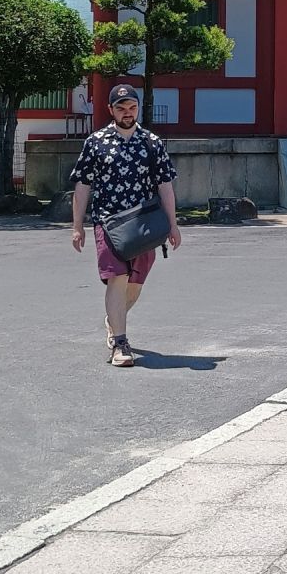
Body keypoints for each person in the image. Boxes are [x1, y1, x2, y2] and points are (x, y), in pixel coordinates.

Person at [70, 83, 180, 367]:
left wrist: (173, 224)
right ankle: (120, 343)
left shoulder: (152, 142)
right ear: (111, 110)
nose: (127, 113)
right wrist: (77, 225)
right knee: (116, 279)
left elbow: (165, 185)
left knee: (135, 284)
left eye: (132, 107)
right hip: (108, 221)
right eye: (121, 108)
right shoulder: (95, 142)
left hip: (143, 223)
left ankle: (112, 319)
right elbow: (83, 185)